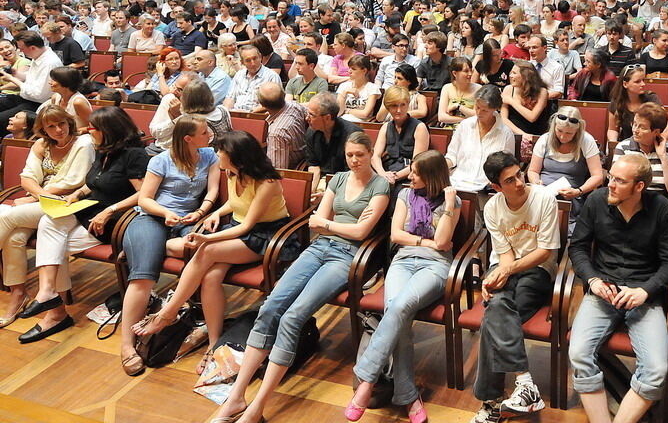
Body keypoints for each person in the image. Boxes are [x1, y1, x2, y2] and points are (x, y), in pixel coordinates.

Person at [210, 132, 389, 423]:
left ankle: (257, 409)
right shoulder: (339, 179)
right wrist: (332, 224)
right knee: (270, 307)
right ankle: (236, 397)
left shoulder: (380, 185)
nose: (354, 160)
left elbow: (358, 233)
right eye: (349, 155)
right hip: (320, 247)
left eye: (360, 155)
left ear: (371, 154)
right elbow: (317, 222)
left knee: (293, 317)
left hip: (347, 257)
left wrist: (329, 223)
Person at [134, 131, 297, 374]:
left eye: (222, 151)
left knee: (205, 250)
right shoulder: (232, 172)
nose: (217, 154)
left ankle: (168, 313)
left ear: (239, 158)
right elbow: (235, 203)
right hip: (238, 232)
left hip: (265, 237)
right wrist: (216, 213)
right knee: (210, 278)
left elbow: (247, 225)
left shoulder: (267, 183)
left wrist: (207, 238)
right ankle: (213, 343)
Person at [567, 152, 668, 423]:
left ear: (639, 186)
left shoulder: (661, 208)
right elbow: (578, 247)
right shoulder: (597, 201)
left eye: (619, 180)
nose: (611, 185)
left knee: (656, 369)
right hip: (604, 289)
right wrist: (593, 280)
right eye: (611, 178)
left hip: (643, 295)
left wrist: (646, 291)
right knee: (579, 353)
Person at [18, 108, 149, 343]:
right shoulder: (104, 151)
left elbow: (143, 194)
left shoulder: (133, 155)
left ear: (109, 131)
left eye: (94, 128)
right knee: (49, 223)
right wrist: (77, 194)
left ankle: (55, 311)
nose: (89, 131)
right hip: (89, 210)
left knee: (53, 247)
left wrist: (110, 210)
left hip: (112, 220)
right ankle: (48, 294)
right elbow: (93, 182)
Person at [348, 150, 459, 422]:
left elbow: (443, 242)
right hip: (404, 260)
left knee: (399, 306)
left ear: (432, 176)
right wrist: (424, 242)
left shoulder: (450, 201)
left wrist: (447, 206)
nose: (410, 176)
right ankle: (408, 395)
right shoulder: (405, 195)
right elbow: (396, 235)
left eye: (416, 173)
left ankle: (366, 379)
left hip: (435, 265)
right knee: (397, 311)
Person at [118, 116, 220, 374]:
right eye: (204, 131)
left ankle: (150, 249)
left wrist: (201, 211)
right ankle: (127, 345)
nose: (209, 134)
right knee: (143, 277)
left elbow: (212, 191)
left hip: (188, 220)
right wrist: (165, 213)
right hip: (154, 217)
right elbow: (145, 199)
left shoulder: (209, 156)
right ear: (188, 138)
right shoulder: (161, 160)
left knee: (197, 248)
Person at [469, 151, 560, 422]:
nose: (519, 182)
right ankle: (525, 384)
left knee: (492, 321)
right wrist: (498, 276)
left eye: (519, 174)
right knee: (497, 306)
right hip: (508, 266)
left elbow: (545, 251)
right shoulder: (492, 207)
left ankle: (492, 402)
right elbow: (505, 253)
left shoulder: (544, 198)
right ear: (496, 187)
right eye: (510, 180)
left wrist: (505, 270)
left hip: (538, 270)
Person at [0, 106, 94, 328]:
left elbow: (73, 181)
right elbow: (27, 178)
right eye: (51, 126)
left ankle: (29, 299)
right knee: (14, 238)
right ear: (43, 129)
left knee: (7, 217)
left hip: (70, 204)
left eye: (61, 123)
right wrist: (39, 196)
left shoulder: (83, 143)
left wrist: (34, 198)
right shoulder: (40, 144)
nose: (58, 130)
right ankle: (18, 294)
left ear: (69, 123)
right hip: (43, 201)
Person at [527, 107, 604, 219]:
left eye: (569, 133)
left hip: (571, 196)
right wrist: (536, 182)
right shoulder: (545, 139)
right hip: (543, 193)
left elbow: (598, 176)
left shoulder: (586, 141)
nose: (563, 137)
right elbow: (533, 170)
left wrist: (578, 191)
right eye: (559, 131)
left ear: (577, 131)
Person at [445, 85, 515, 194]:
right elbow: (451, 156)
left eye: (484, 110)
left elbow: (507, 167)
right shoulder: (464, 125)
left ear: (494, 109)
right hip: (457, 183)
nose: (479, 113)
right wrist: (439, 167)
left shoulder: (506, 133)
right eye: (477, 107)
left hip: (486, 189)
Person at [148, 74, 231, 154]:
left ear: (189, 98)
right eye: (174, 86)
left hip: (189, 157)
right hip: (162, 149)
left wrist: (177, 117)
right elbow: (155, 132)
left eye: (180, 90)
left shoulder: (192, 119)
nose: (173, 91)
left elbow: (187, 147)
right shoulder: (223, 110)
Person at [0, 31, 64, 135]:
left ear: (33, 48)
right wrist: (15, 73)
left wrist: (12, 79)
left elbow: (39, 95)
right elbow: (31, 78)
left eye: (22, 48)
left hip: (37, 104)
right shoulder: (38, 55)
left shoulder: (49, 63)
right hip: (25, 98)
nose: (20, 50)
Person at [373, 85, 430, 192]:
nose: (399, 110)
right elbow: (375, 156)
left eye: (403, 105)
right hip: (386, 173)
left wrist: (395, 176)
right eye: (394, 106)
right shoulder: (385, 126)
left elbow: (417, 162)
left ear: (408, 104)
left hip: (410, 175)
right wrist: (383, 174)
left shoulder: (419, 127)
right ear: (388, 107)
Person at [303, 92, 363, 191]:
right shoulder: (311, 132)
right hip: (323, 181)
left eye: (312, 115)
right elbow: (314, 166)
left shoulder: (352, 135)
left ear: (327, 118)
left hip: (348, 183)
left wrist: (328, 195)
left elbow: (355, 172)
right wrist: (311, 192)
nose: (306, 118)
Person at [500, 61, 552, 151]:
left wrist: (512, 102)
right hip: (514, 134)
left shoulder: (542, 92)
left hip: (536, 135)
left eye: (514, 73)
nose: (510, 76)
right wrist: (522, 135)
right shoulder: (508, 89)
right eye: (511, 72)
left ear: (526, 77)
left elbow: (532, 117)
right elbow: (504, 119)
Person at [257, 82, 308, 169]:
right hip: (304, 156)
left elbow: (277, 171)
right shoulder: (295, 105)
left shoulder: (277, 134)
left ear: (262, 105)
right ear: (283, 95)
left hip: (293, 169)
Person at [607, 64, 660, 144]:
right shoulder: (616, 103)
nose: (643, 84)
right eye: (637, 82)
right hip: (626, 147)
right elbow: (612, 130)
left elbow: (666, 129)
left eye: (643, 80)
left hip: (650, 145)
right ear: (625, 84)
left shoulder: (652, 99)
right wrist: (614, 144)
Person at [224, 45, 281, 112]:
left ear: (260, 57)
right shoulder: (239, 74)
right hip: (235, 113)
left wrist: (249, 113)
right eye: (248, 60)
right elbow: (230, 98)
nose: (253, 63)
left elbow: (273, 103)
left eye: (255, 58)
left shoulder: (271, 76)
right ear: (242, 62)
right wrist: (227, 111)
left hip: (256, 115)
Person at [38, 66, 92, 131]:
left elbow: (93, 127)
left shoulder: (78, 102)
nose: (50, 82)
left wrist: (73, 132)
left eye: (54, 80)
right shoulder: (55, 97)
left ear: (65, 82)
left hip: (79, 136)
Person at [437, 56, 481, 127]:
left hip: (470, 128)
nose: (470, 74)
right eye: (466, 71)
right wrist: (463, 119)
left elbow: (477, 114)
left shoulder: (478, 88)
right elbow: (441, 117)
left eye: (471, 70)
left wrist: (459, 106)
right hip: (449, 128)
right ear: (454, 73)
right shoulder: (446, 88)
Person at [336, 55, 380, 124]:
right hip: (342, 122)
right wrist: (345, 93)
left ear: (364, 71)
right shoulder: (343, 86)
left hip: (361, 124)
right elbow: (338, 112)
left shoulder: (373, 88)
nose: (349, 71)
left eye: (353, 69)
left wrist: (347, 110)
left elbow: (365, 114)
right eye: (349, 68)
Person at [526, 35, 565, 100]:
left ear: (544, 48)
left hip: (549, 102)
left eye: (534, 47)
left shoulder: (557, 67)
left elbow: (558, 92)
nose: (531, 51)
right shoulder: (528, 66)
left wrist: (538, 99)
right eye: (529, 48)